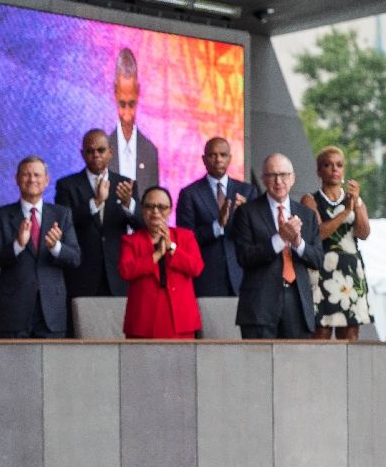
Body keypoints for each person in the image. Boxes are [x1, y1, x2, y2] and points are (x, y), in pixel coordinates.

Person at [0, 156, 81, 338]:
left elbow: (75, 258)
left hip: (51, 313)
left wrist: (56, 247)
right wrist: (17, 245)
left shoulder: (62, 215)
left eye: (37, 175)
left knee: (53, 366)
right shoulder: (0, 215)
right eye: (26, 175)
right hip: (13, 314)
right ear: (17, 179)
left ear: (46, 181)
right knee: (10, 366)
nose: (32, 179)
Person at [233, 153, 323, 339]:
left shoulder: (306, 215)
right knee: (259, 365)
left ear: (293, 178)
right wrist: (280, 239)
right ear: (264, 179)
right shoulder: (247, 212)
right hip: (260, 305)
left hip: (297, 303)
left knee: (296, 366)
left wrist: (298, 243)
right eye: (272, 175)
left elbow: (318, 259)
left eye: (284, 175)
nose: (279, 181)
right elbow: (244, 257)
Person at [55, 129, 143, 306]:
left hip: (118, 275)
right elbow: (64, 225)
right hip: (82, 275)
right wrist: (95, 203)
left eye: (101, 150)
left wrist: (128, 204)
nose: (95, 155)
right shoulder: (67, 185)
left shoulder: (126, 184)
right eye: (90, 151)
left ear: (110, 152)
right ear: (82, 154)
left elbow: (141, 226)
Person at [300, 146, 372, 339]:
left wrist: (356, 204)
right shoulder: (310, 199)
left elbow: (363, 233)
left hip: (350, 273)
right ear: (318, 171)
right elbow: (317, 234)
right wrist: (345, 213)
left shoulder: (354, 200)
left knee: (350, 336)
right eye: (328, 165)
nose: (334, 169)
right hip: (322, 273)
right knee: (320, 333)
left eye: (339, 165)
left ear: (344, 170)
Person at [175, 137, 257, 296]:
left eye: (223, 154)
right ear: (204, 159)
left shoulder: (247, 191)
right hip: (206, 279)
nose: (218, 159)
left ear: (230, 158)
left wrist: (246, 217)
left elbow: (257, 236)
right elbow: (185, 239)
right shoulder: (190, 194)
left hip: (241, 277)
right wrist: (217, 225)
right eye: (212, 155)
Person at [119, 186, 204, 338]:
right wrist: (156, 255)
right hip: (143, 320)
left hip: (179, 320)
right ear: (142, 210)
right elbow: (125, 271)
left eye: (162, 207)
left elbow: (196, 268)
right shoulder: (131, 240)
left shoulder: (185, 236)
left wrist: (172, 247)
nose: (156, 212)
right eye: (150, 207)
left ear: (170, 210)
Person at [107, 48, 159, 194]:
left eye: (132, 104)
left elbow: (153, 202)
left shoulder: (150, 152)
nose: (127, 115)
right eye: (122, 105)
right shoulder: (102, 151)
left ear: (138, 91)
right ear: (115, 92)